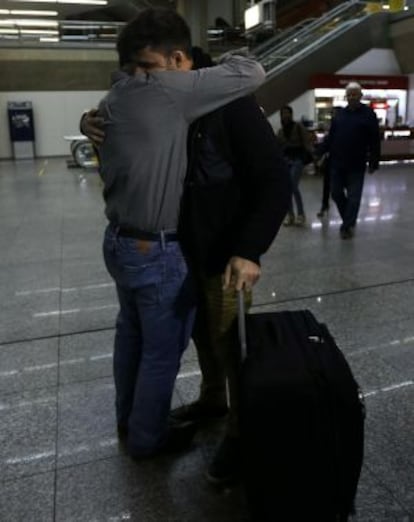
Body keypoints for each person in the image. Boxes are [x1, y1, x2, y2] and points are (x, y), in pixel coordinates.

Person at [88, 7, 266, 460]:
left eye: (145, 66)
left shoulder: (113, 98)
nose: (138, 76)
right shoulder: (166, 89)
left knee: (131, 336)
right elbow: (252, 68)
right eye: (134, 68)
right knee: (161, 351)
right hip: (157, 247)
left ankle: (130, 421)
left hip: (121, 242)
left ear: (178, 58)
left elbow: (270, 179)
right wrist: (197, 68)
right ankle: (149, 439)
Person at [321, 82, 381, 239]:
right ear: (346, 97)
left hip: (357, 164)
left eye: (355, 94)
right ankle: (350, 218)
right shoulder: (340, 114)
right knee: (336, 193)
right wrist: (319, 150)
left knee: (354, 197)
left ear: (360, 96)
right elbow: (331, 137)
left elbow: (375, 140)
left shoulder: (369, 114)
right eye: (349, 94)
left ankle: (346, 226)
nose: (352, 97)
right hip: (337, 163)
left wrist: (374, 161)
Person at [277, 105, 312, 226]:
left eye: (287, 113)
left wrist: (311, 158)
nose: (285, 115)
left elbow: (306, 143)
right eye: (283, 113)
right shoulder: (280, 131)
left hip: (297, 160)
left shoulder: (298, 126)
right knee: (287, 188)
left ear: (291, 114)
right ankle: (290, 214)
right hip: (286, 161)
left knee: (293, 185)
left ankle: (301, 214)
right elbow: (278, 147)